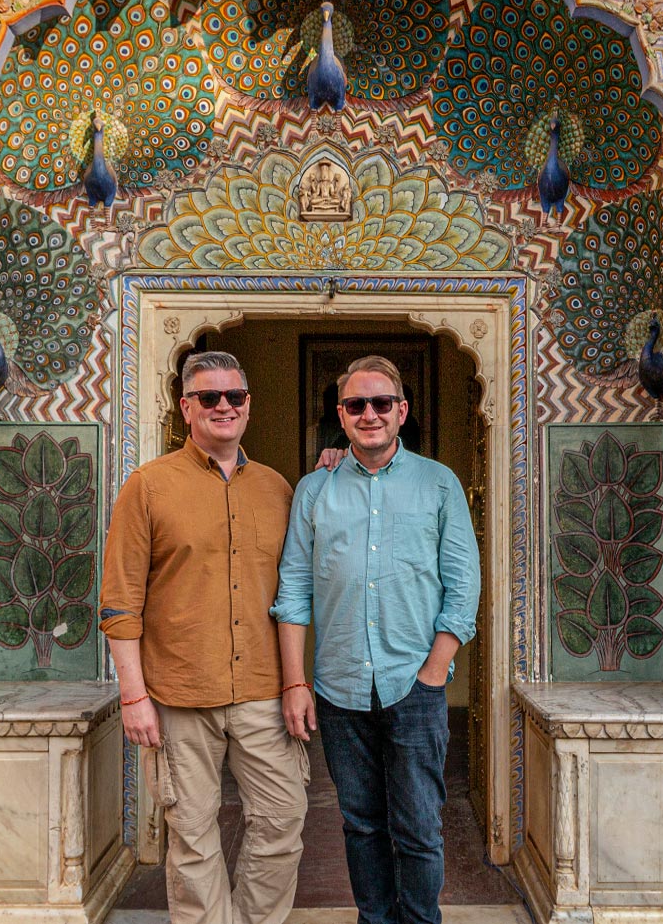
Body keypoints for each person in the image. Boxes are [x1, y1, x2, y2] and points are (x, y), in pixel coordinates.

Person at [98, 351, 308, 924]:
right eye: (209, 398)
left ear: (248, 406)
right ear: (185, 406)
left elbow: (296, 589)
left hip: (264, 691)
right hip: (180, 692)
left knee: (283, 820)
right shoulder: (148, 486)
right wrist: (134, 695)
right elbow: (119, 602)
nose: (223, 407)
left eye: (233, 397)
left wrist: (296, 682)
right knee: (192, 834)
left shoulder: (277, 489)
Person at [271, 355, 480, 924]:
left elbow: (463, 587)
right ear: (340, 414)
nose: (369, 414)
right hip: (338, 691)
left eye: (381, 403)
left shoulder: (439, 484)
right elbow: (293, 591)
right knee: (361, 823)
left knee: (418, 827)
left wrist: (434, 670)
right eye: (356, 405)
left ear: (401, 411)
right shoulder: (314, 491)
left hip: (414, 684)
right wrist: (296, 682)